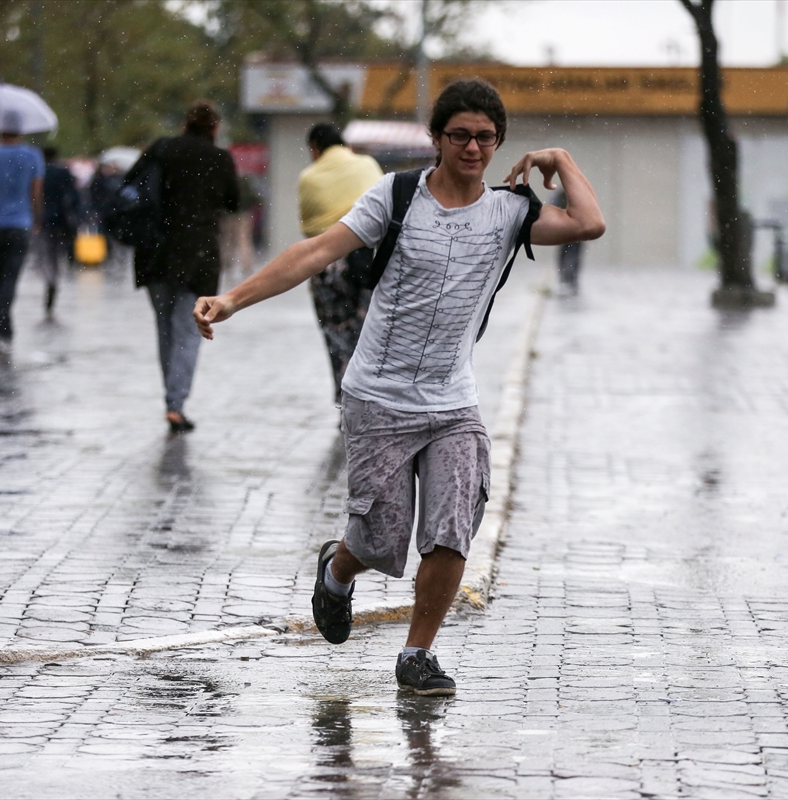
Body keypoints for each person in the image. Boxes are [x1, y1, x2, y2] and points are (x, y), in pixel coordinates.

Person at [194, 79, 605, 695]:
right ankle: (338, 571)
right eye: (460, 135)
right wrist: (232, 298)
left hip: (452, 403)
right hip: (378, 396)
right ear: (437, 138)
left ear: (498, 143)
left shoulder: (510, 211)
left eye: (485, 137)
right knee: (382, 538)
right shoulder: (398, 194)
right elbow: (315, 252)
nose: (472, 147)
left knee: (451, 528)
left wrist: (562, 159)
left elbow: (589, 223)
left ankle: (418, 654)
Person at [133, 99, 239, 433]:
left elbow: (133, 190)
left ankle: (172, 401)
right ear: (215, 128)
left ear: (185, 125)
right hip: (198, 256)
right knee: (189, 332)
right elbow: (234, 201)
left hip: (155, 253)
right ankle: (176, 403)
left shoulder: (161, 150)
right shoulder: (219, 158)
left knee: (165, 331)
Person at [297, 123, 384, 403]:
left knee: (335, 335)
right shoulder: (368, 164)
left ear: (315, 149)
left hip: (328, 266)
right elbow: (386, 208)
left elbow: (309, 226)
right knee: (370, 333)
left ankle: (344, 396)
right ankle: (371, 395)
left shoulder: (308, 178)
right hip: (369, 260)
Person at [0, 112, 45, 354]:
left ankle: (1, 324)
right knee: (11, 277)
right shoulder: (33, 156)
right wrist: (36, 220)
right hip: (20, 225)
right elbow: (36, 192)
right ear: (20, 132)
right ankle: (3, 326)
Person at [36, 146, 79, 317]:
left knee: (45, 252)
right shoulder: (64, 172)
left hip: (43, 220)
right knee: (57, 252)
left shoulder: (39, 173)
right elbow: (74, 196)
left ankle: (49, 278)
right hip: (61, 220)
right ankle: (54, 278)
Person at [551, 188, 583, 295]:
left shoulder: (576, 195)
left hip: (574, 233)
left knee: (571, 257)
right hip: (568, 232)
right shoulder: (563, 195)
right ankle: (566, 280)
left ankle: (569, 280)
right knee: (567, 256)